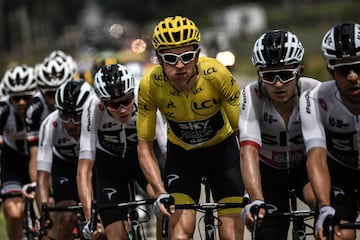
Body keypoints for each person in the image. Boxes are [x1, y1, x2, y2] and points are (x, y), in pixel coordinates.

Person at [136, 15, 245, 239]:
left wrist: (255, 189)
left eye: (186, 57)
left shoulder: (216, 74)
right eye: (170, 58)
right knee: (179, 233)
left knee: (230, 235)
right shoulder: (149, 85)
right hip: (182, 158)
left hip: (223, 154)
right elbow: (145, 146)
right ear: (158, 58)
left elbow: (243, 135)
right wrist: (160, 191)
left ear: (197, 55)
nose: (179, 65)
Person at [239, 29, 320, 239]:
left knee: (324, 205)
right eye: (268, 75)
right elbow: (248, 150)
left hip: (305, 172)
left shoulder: (314, 91)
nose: (277, 83)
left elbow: (321, 153)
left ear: (299, 71)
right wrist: (255, 198)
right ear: (259, 75)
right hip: (269, 175)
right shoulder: (252, 94)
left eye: (285, 75)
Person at [77, 64, 166, 240]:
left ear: (133, 93)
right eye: (113, 105)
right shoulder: (92, 108)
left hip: (144, 161)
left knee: (164, 203)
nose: (122, 109)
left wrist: (168, 189)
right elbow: (84, 169)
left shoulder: (144, 97)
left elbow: (165, 147)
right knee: (116, 236)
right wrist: (90, 219)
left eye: (126, 101)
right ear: (103, 102)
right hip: (111, 168)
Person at [300, 22, 360, 240]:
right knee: (336, 234)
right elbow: (316, 156)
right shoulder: (314, 98)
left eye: (358, 67)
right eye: (344, 70)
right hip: (340, 175)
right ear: (331, 71)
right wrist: (325, 207)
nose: (353, 76)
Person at [36, 79, 94, 240]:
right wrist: (44, 213)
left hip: (94, 166)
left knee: (101, 222)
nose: (70, 124)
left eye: (76, 116)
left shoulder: (97, 118)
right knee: (67, 217)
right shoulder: (50, 125)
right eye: (64, 115)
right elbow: (42, 177)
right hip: (65, 166)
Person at [0, 64, 37, 240]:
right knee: (14, 212)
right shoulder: (3, 110)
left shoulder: (42, 106)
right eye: (16, 98)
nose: (22, 102)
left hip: (40, 160)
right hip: (12, 163)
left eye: (26, 96)